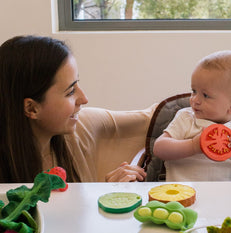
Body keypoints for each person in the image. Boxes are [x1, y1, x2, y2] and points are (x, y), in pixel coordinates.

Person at [0, 35, 154, 183]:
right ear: (31, 108)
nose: (84, 99)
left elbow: (155, 117)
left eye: (77, 83)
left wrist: (105, 195)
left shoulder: (82, 125)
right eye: (70, 91)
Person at [153, 50, 231, 182]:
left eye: (205, 95)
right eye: (194, 91)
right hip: (181, 194)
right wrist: (193, 146)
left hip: (227, 196)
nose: (194, 100)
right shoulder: (186, 118)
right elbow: (159, 148)